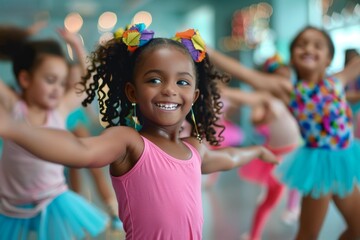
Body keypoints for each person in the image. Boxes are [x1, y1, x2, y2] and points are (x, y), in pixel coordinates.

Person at [0, 23, 278, 240]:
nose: (169, 89)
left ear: (194, 96)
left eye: (181, 81)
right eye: (155, 79)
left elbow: (228, 158)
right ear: (132, 91)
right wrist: (14, 129)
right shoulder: (129, 142)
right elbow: (80, 151)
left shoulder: (194, 147)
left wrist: (257, 151)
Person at [209, 26, 360, 240]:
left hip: (343, 159)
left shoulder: (338, 80)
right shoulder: (289, 90)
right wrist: (211, 52)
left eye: (317, 45)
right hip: (318, 165)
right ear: (293, 57)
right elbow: (246, 74)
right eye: (301, 45)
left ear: (329, 58)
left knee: (357, 229)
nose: (308, 48)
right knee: (308, 233)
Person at [0, 28, 109, 239]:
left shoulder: (59, 110)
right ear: (25, 79)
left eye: (61, 82)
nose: (58, 89)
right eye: (50, 80)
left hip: (53, 200)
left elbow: (88, 84)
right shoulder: (14, 108)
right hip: (11, 204)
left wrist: (77, 46)